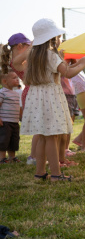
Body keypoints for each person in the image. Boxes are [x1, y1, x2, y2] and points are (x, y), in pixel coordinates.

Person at [20, 19, 85, 182]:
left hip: (37, 96)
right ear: (52, 38)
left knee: (43, 136)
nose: (60, 39)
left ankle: (40, 172)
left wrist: (71, 63)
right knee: (52, 136)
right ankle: (56, 175)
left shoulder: (34, 54)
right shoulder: (50, 54)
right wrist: (83, 64)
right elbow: (68, 73)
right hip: (50, 97)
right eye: (58, 36)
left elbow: (61, 70)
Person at [1, 33, 41, 165]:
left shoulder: (21, 59)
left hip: (33, 93)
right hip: (32, 94)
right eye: (28, 46)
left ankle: (35, 156)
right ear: (20, 46)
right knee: (39, 129)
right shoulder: (17, 61)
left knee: (40, 128)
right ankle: (33, 156)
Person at [0, 72, 22, 163]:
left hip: (14, 121)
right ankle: (2, 158)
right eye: (14, 78)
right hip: (5, 122)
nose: (17, 79)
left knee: (14, 139)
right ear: (5, 81)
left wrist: (21, 117)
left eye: (17, 77)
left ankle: (12, 157)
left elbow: (19, 107)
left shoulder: (16, 93)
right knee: (4, 140)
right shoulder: (2, 93)